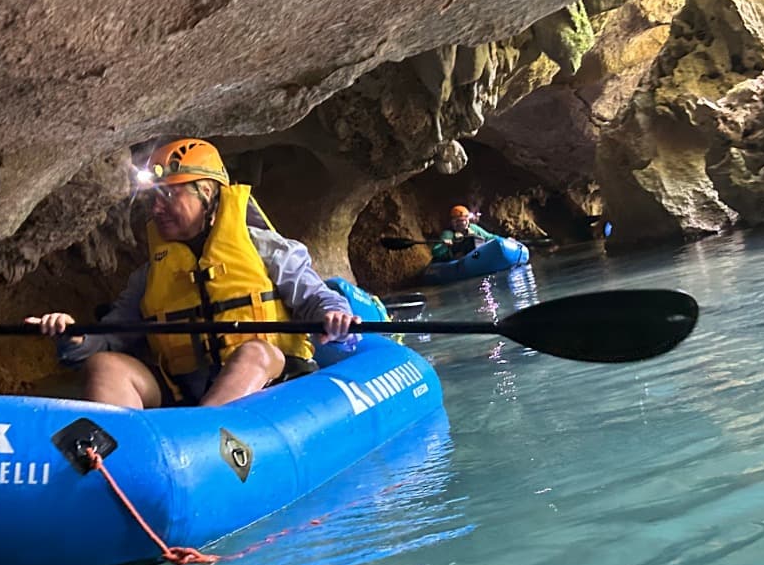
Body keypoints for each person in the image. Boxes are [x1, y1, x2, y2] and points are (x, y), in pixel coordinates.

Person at [28, 138, 359, 408]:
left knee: (253, 351)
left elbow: (316, 297)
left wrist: (335, 315)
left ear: (208, 193)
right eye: (152, 200)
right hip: (185, 393)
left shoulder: (265, 248)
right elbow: (111, 339)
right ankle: (113, 461)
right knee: (105, 365)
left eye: (169, 195)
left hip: (274, 383)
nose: (156, 209)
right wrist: (75, 338)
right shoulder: (148, 276)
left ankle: (207, 441)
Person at [430, 205, 498, 262]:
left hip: (474, 257)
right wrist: (444, 246)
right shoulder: (448, 234)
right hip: (454, 260)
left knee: (474, 238)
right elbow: (435, 252)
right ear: (453, 222)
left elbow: (489, 237)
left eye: (464, 220)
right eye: (458, 221)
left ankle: (478, 260)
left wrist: (504, 240)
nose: (462, 223)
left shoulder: (473, 228)